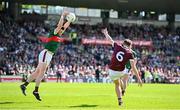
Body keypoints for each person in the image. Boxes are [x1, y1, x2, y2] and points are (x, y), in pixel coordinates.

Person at [20, 11, 72, 101]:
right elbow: (60, 26)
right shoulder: (55, 32)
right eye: (61, 29)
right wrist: (63, 16)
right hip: (46, 53)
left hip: (49, 55)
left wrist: (70, 20)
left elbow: (64, 27)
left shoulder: (59, 34)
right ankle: (35, 91)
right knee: (42, 72)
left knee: (37, 72)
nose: (62, 30)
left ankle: (24, 85)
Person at [101, 28, 143, 106]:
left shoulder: (117, 46)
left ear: (123, 43)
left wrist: (106, 33)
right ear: (130, 46)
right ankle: (123, 89)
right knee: (125, 78)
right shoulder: (130, 53)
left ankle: (120, 101)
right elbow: (134, 67)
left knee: (117, 84)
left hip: (112, 71)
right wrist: (139, 79)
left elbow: (110, 40)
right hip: (121, 71)